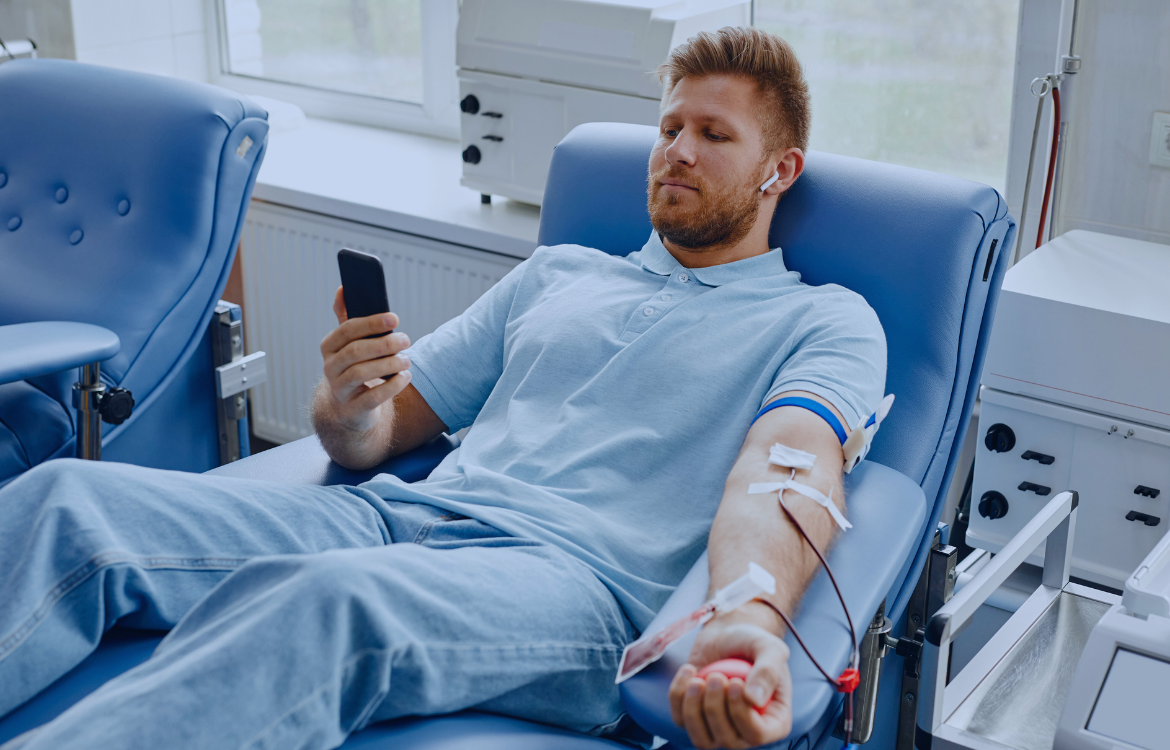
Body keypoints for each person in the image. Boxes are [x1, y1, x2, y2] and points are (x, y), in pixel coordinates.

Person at [0, 26, 885, 750]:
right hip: (393, 518)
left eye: (714, 136)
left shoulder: (824, 320)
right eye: (668, 130)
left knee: (331, 604)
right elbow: (378, 434)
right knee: (65, 498)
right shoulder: (560, 273)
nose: (677, 153)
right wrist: (347, 404)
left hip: (574, 586)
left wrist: (750, 615)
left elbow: (788, 470)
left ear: (781, 169)